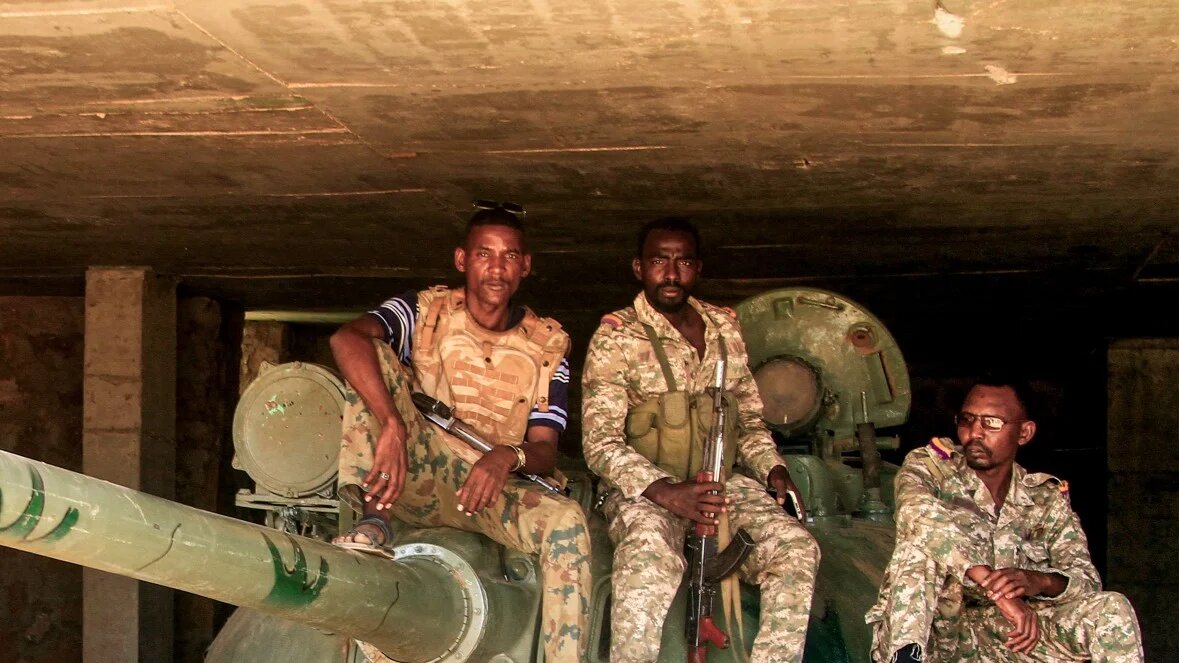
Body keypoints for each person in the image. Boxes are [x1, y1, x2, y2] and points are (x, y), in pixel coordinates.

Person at [330, 203, 591, 663]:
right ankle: (374, 520)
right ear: (461, 260)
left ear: (525, 266)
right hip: (418, 473)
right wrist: (392, 424)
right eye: (484, 254)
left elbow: (546, 449)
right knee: (371, 358)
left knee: (567, 522)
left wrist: (506, 457)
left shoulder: (549, 344)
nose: (496, 267)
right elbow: (344, 340)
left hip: (492, 491)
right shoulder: (422, 311)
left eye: (509, 256)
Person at [581, 217, 820, 663]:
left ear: (698, 268)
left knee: (796, 549)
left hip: (720, 484)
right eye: (659, 261)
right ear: (639, 268)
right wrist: (667, 492)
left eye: (683, 261)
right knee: (647, 562)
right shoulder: (615, 338)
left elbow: (747, 419)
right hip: (646, 492)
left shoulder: (724, 328)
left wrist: (773, 468)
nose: (671, 274)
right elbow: (599, 443)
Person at [866, 375, 1144, 663]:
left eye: (992, 423)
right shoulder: (931, 467)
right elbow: (918, 514)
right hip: (936, 635)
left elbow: (1085, 582)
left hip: (1011, 637)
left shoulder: (1044, 499)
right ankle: (905, 659)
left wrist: (1039, 581)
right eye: (967, 420)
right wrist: (997, 590)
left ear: (1024, 433)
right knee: (920, 544)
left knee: (1111, 607)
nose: (975, 433)